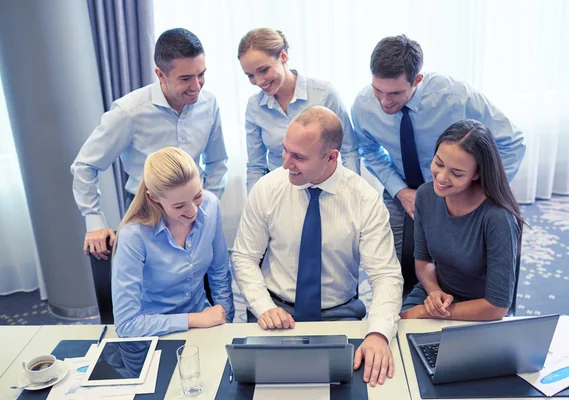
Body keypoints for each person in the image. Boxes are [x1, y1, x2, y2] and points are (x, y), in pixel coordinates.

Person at [231, 106, 403, 387]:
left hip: (339, 316)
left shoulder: (364, 200)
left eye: (298, 157)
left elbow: (385, 275)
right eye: (285, 150)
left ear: (331, 157)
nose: (286, 163)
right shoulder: (267, 189)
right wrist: (263, 307)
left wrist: (378, 334)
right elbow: (244, 257)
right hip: (274, 312)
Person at [351, 34, 525, 295]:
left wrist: (478, 192)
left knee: (469, 267)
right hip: (403, 186)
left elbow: (512, 143)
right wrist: (400, 191)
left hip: (458, 188)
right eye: (378, 90)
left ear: (417, 80)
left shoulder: (456, 96)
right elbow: (369, 149)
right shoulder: (363, 105)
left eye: (395, 93)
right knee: (392, 266)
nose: (385, 101)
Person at [71, 28, 228, 261]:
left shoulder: (209, 102)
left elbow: (217, 161)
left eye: (201, 74)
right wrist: (94, 220)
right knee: (148, 289)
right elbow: (85, 165)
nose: (196, 86)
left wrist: (204, 206)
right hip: (147, 212)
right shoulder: (129, 112)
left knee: (202, 278)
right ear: (160, 74)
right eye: (185, 78)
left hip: (195, 207)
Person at [400, 119, 523, 321]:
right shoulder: (426, 195)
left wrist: (428, 313)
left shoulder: (498, 218)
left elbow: (497, 306)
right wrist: (434, 293)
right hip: (436, 293)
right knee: (394, 338)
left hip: (479, 309)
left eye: (457, 173)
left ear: (477, 174)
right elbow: (423, 260)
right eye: (438, 163)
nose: (441, 177)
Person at [112, 147, 234, 337]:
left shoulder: (211, 206)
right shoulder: (134, 236)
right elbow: (126, 324)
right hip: (152, 334)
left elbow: (219, 274)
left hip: (204, 328)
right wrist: (194, 319)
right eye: (179, 206)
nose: (193, 211)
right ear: (154, 198)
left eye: (197, 196)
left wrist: (226, 323)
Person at [238, 28, 360, 193]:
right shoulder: (254, 106)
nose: (258, 81)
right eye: (250, 75)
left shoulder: (324, 94)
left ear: (283, 56)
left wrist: (351, 194)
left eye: (263, 70)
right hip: (281, 192)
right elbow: (256, 165)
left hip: (328, 188)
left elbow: (349, 150)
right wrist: (252, 206)